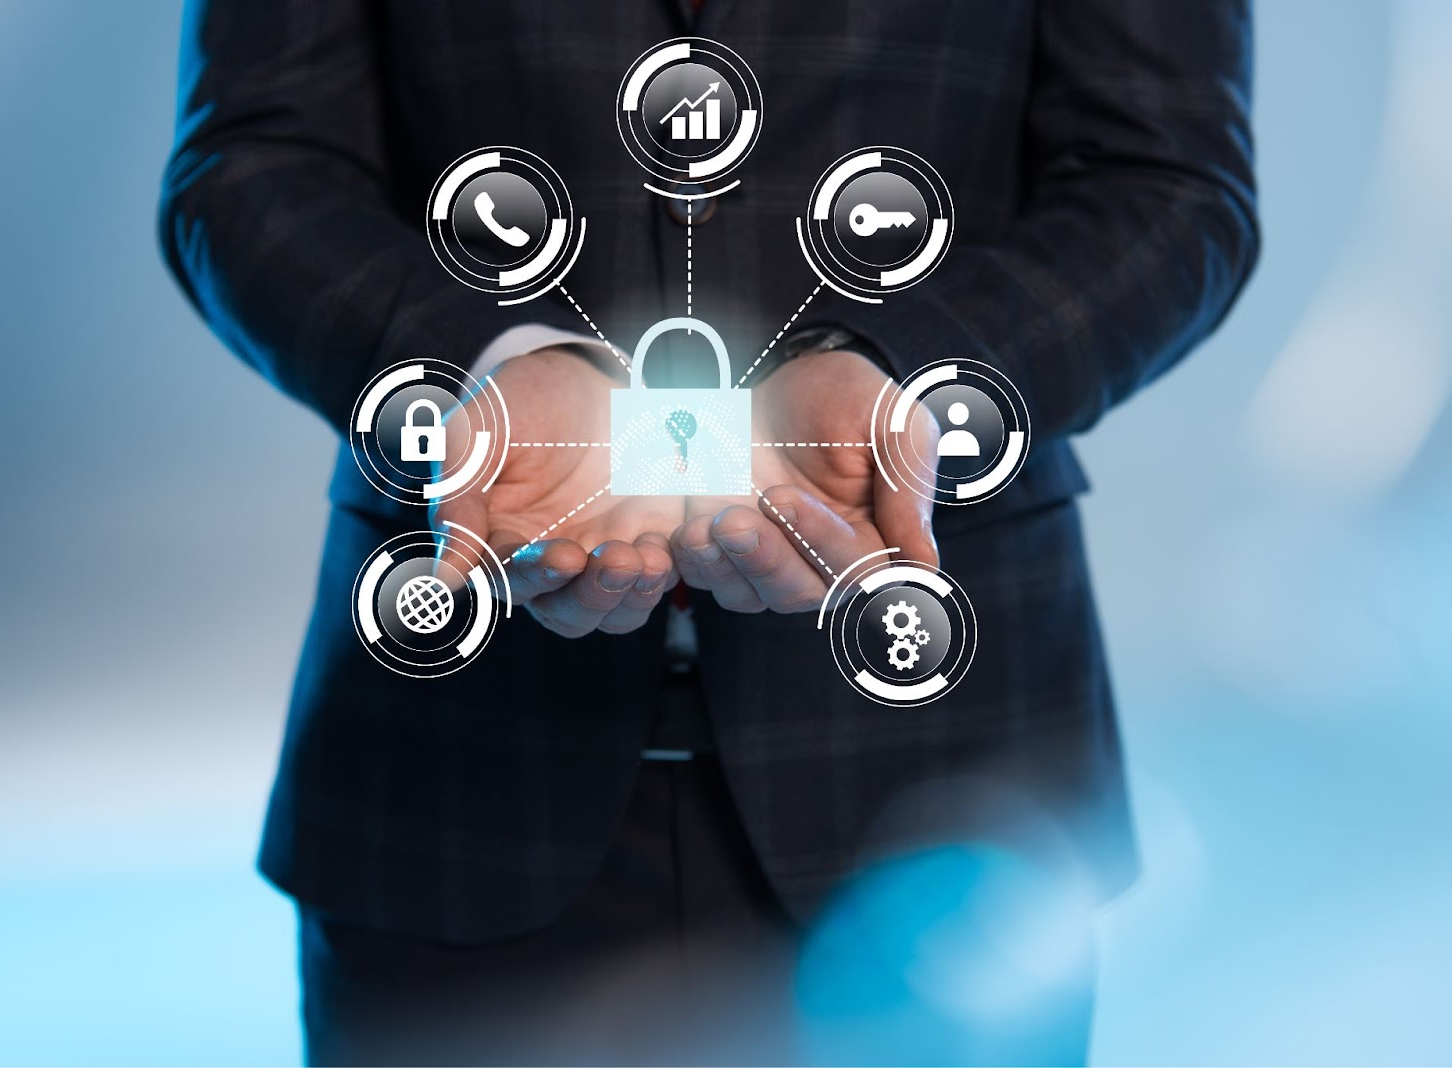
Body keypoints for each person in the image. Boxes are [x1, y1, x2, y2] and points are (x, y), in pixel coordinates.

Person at [159, 1, 1257, 1063]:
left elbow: (1164, 181)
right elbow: (253, 162)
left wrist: (903, 375)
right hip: (456, 768)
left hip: (938, 789)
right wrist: (485, 365)